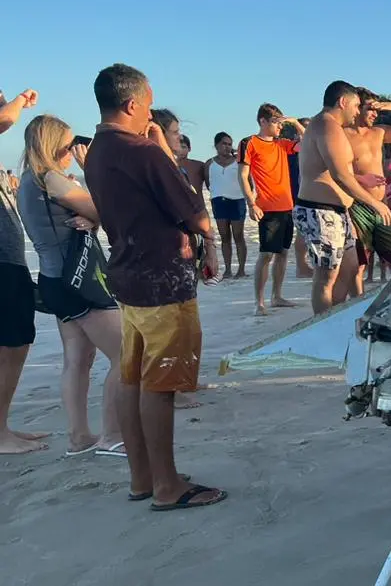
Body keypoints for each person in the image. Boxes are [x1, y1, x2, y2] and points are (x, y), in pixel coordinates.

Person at [82, 63, 225, 509]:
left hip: (128, 274)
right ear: (131, 104)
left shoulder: (99, 151)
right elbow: (194, 212)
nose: (150, 113)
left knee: (133, 375)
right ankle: (167, 485)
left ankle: (143, 477)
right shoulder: (142, 151)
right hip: (162, 278)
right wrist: (164, 150)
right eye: (146, 104)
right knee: (159, 383)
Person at [16, 114, 126, 457]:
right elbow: (111, 210)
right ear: (52, 146)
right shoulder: (52, 178)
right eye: (67, 145)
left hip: (54, 281)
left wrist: (90, 217)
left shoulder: (28, 181)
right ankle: (112, 435)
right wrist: (91, 182)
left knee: (77, 359)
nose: (71, 151)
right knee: (127, 354)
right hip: (80, 280)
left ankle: (80, 437)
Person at [293, 80, 391, 315]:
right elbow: (340, 176)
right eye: (356, 105)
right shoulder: (326, 126)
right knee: (326, 276)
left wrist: (362, 180)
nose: (358, 111)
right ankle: (322, 325)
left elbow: (340, 171)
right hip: (321, 210)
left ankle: (334, 315)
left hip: (337, 211)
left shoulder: (330, 127)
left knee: (349, 268)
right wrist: (374, 203)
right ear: (343, 102)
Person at [0, 85, 50, 454]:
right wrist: (18, 101)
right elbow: (5, 120)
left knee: (15, 343)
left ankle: (2, 426)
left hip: (9, 259)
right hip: (2, 262)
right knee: (13, 343)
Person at [346, 88, 391, 291]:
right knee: (359, 263)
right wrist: (360, 179)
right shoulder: (343, 135)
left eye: (377, 110)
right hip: (356, 205)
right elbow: (330, 171)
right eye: (370, 109)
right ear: (356, 107)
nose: (374, 114)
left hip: (382, 206)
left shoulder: (378, 133)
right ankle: (356, 304)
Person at [240, 103, 306, 316]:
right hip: (266, 207)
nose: (280, 127)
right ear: (263, 121)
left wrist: (295, 123)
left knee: (283, 253)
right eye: (276, 123)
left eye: (280, 123)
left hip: (287, 205)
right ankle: (259, 302)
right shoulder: (249, 143)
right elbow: (242, 175)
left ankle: (276, 295)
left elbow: (308, 143)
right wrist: (252, 203)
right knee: (266, 254)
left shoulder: (282, 144)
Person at [208, 132, 247, 277]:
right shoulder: (209, 164)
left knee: (238, 235)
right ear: (216, 145)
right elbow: (208, 182)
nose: (227, 147)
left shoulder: (239, 162)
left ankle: (241, 269)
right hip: (219, 202)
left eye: (229, 144)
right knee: (225, 237)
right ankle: (228, 269)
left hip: (237, 200)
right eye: (224, 144)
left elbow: (247, 182)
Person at [177, 133, 207, 197]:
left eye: (183, 147)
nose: (180, 150)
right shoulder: (169, 165)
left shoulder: (199, 166)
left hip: (198, 204)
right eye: (178, 147)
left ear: (189, 148)